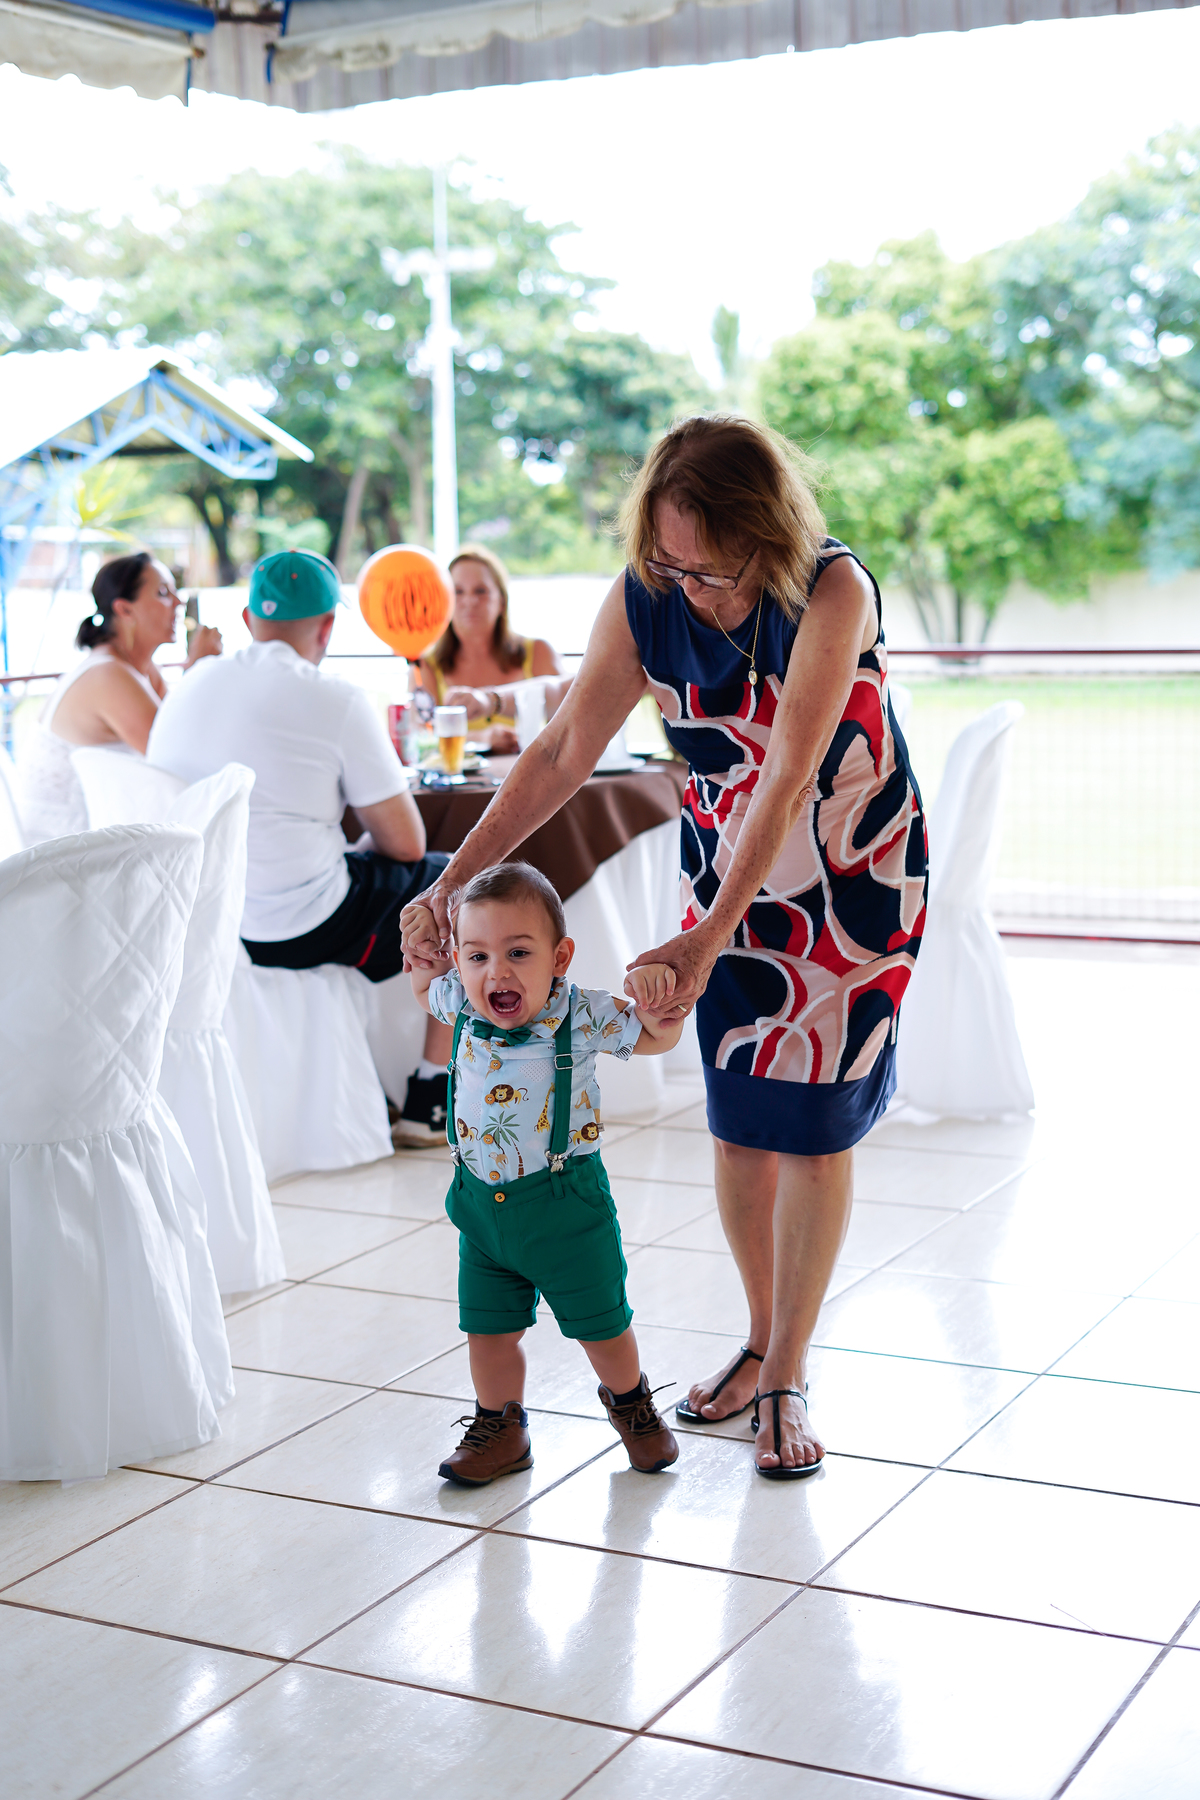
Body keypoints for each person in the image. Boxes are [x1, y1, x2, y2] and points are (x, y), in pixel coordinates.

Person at [401, 415, 928, 1481]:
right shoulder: (647, 593)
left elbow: (787, 773)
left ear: (766, 534)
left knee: (813, 1133)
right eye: (669, 561)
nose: (689, 587)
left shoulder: (831, 590)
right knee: (739, 1127)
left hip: (849, 880)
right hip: (722, 875)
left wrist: (704, 939)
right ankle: (760, 1339)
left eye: (712, 567)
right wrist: (451, 883)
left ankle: (788, 1373)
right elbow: (562, 749)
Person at [148, 547, 453, 1140]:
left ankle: (376, 1081)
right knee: (452, 885)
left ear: (247, 620)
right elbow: (406, 845)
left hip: (199, 920)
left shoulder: (189, 682)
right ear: (328, 626)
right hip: (294, 928)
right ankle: (429, 1095)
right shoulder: (337, 698)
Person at [406, 860, 684, 1486]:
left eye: (518, 953)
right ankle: (500, 1428)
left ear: (560, 958)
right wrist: (423, 955)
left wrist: (662, 1004)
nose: (496, 973)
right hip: (480, 1209)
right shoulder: (461, 1003)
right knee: (488, 1331)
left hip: (566, 1207)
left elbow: (654, 1038)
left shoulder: (579, 1014)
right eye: (476, 956)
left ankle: (632, 1406)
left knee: (602, 1326)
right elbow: (426, 991)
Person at [16, 551, 222, 845]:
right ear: (124, 609)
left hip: (102, 836)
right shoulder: (108, 675)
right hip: (62, 851)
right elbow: (178, 757)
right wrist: (198, 671)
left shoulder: (141, 669)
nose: (178, 602)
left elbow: (183, 734)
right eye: (163, 593)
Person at [417, 545, 563, 753]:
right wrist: (482, 738)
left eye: (481, 591)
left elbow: (570, 717)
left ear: (502, 601)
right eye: (458, 592)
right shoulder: (426, 665)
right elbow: (420, 736)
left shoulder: (539, 651)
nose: (470, 601)